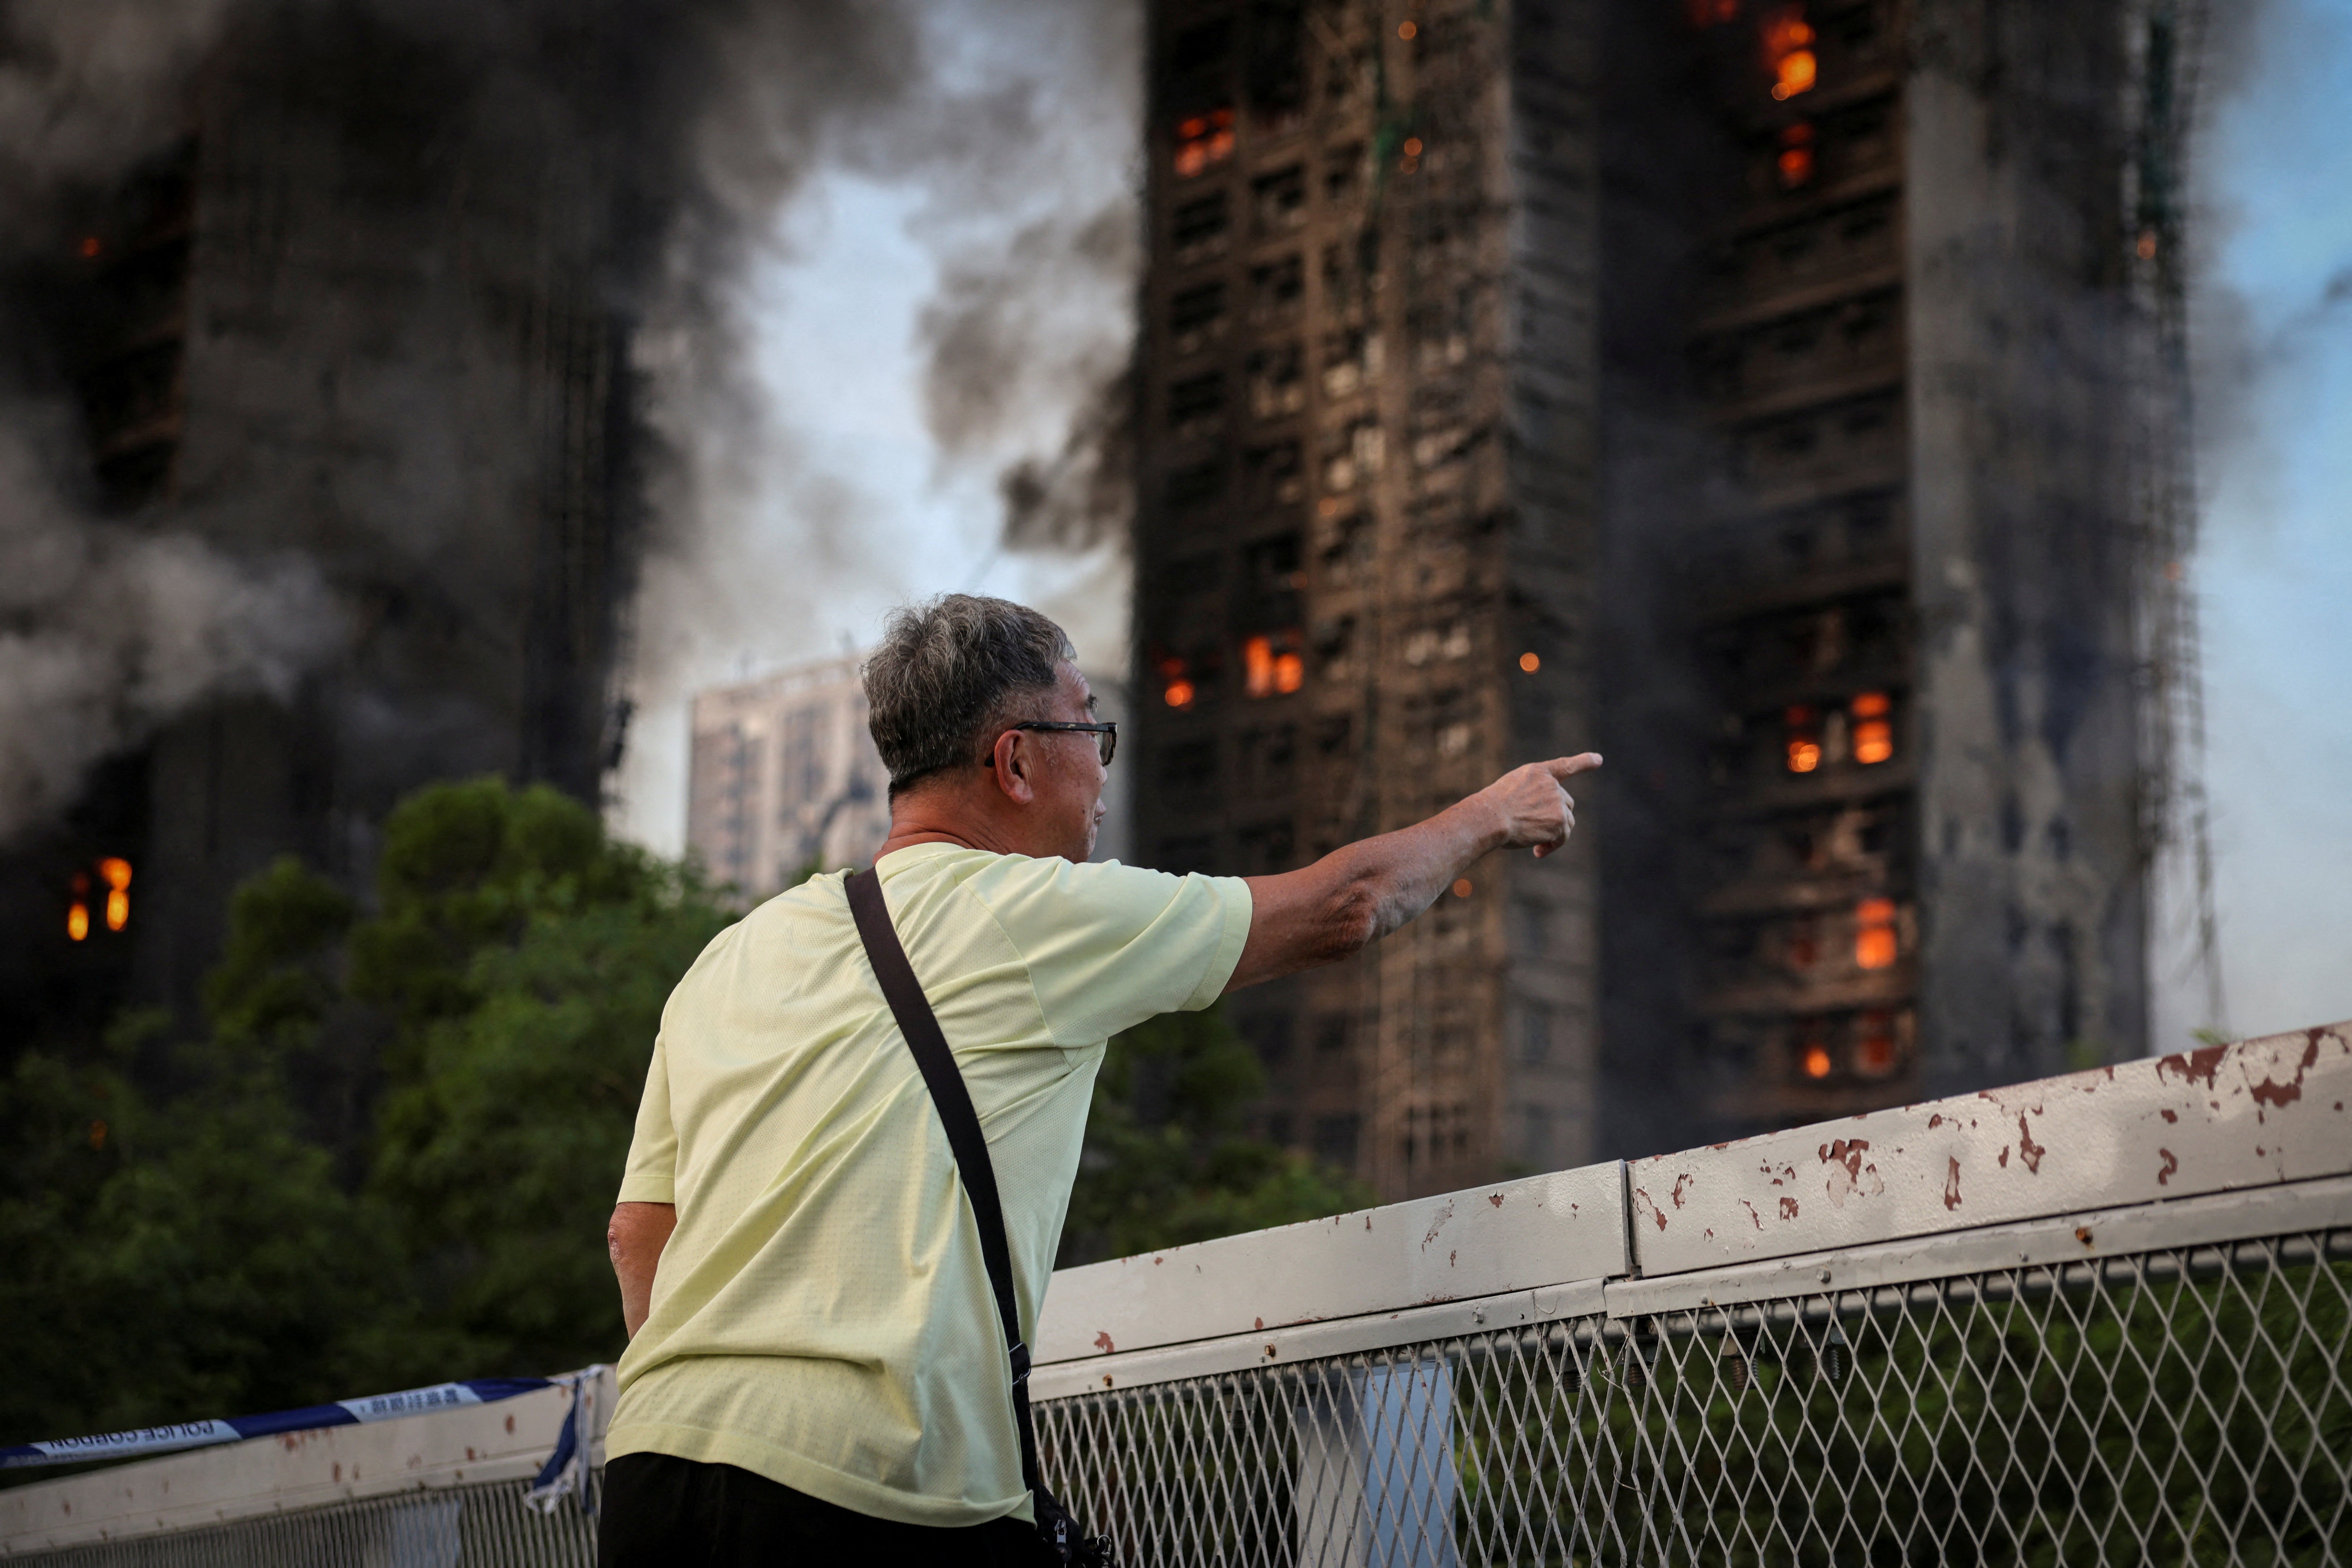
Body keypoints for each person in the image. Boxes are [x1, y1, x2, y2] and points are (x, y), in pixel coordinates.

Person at [598, 594, 1599, 1564]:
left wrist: (712, 1412)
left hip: (654, 1472)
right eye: (1091, 729)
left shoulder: (732, 956)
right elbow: (1345, 906)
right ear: (1017, 760)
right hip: (873, 1488)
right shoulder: (1029, 912)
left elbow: (639, 1234)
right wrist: (1492, 811)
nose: (1105, 767)